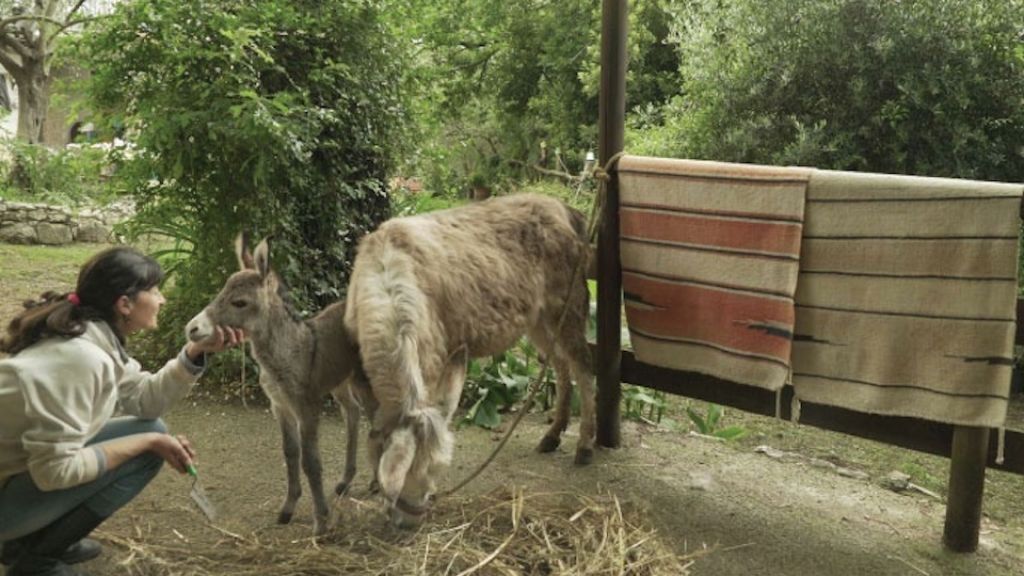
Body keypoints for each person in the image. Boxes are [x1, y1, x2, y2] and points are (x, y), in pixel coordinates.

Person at [0, 246, 243, 576]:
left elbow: (145, 400)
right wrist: (146, 443)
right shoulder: (81, 358)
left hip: (15, 472)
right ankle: (36, 560)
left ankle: (27, 541)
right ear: (125, 304)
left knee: (153, 430)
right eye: (154, 290)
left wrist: (195, 351)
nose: (162, 300)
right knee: (149, 443)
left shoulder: (91, 337)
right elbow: (54, 472)